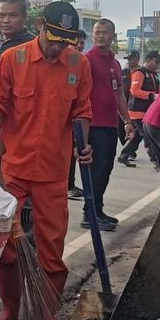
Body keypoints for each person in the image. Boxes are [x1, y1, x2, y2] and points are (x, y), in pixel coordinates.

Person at [0, 1, 92, 320]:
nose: (57, 46)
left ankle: (47, 316)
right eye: (53, 37)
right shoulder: (12, 60)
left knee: (52, 248)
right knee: (7, 245)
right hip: (14, 166)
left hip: (54, 169)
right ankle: (10, 311)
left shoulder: (78, 64)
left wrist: (83, 144)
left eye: (65, 40)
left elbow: (82, 110)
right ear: (40, 26)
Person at [83, 20, 134, 230]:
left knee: (106, 168)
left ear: (113, 35)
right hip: (93, 125)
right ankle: (89, 214)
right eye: (97, 32)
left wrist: (128, 121)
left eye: (104, 33)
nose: (100, 36)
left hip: (110, 125)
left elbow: (119, 94)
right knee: (95, 170)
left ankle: (98, 209)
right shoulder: (87, 60)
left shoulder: (114, 63)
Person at [119, 50, 160, 168]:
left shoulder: (154, 75)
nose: (158, 64)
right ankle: (156, 161)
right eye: (156, 61)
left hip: (147, 112)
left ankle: (124, 155)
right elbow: (135, 91)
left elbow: (158, 91)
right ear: (148, 60)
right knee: (147, 136)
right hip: (137, 112)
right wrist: (152, 96)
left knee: (137, 136)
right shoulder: (139, 73)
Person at [66, 29, 89, 200]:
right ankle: (68, 185)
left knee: (74, 154)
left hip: (77, 122)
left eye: (82, 42)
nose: (79, 46)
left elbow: (83, 103)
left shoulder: (82, 63)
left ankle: (69, 184)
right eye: (77, 42)